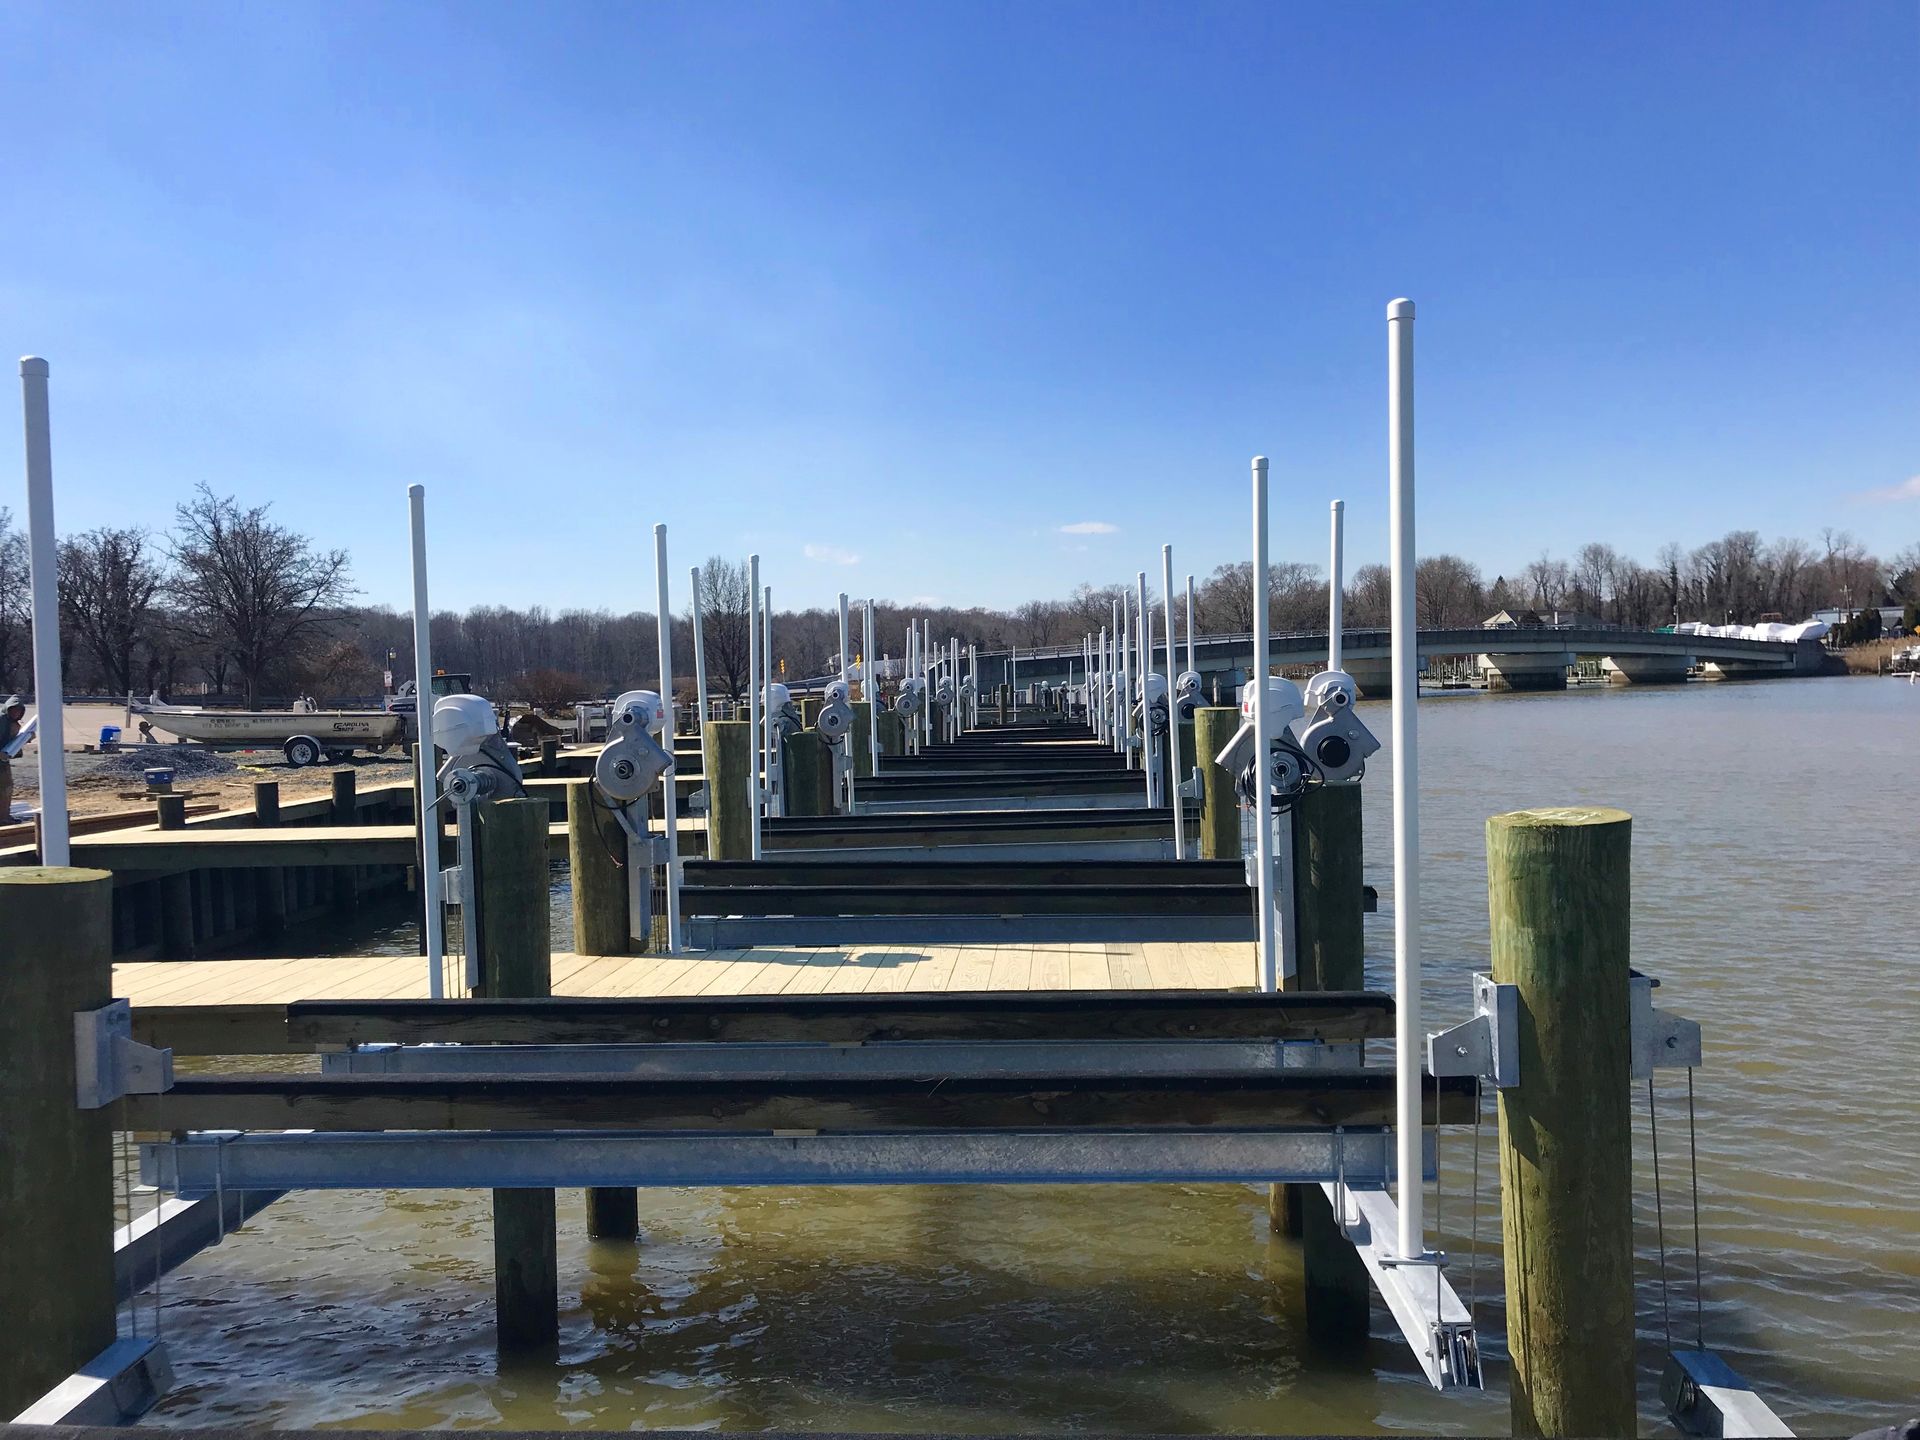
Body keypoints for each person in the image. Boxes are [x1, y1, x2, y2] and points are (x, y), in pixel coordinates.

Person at [0, 695, 25, 822]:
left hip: (3, 762)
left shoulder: (12, 724)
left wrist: (25, 739)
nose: (16, 713)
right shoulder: (1, 720)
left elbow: (10, 744)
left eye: (18, 711)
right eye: (14, 710)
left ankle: (4, 816)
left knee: (6, 789)